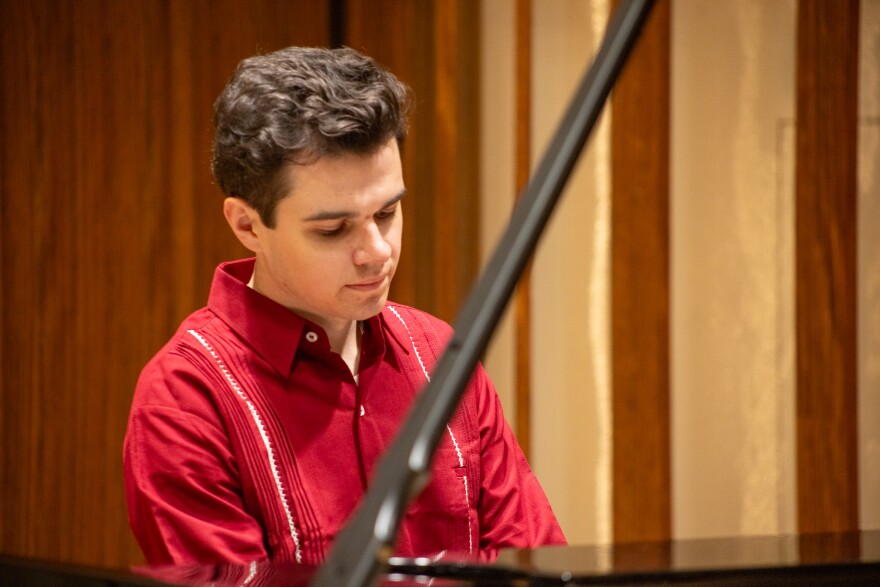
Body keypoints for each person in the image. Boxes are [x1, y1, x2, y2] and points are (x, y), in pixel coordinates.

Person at [123, 45, 565, 567]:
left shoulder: (439, 354)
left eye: (387, 212)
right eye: (332, 229)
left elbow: (533, 562)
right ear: (247, 225)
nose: (377, 251)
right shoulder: (185, 401)